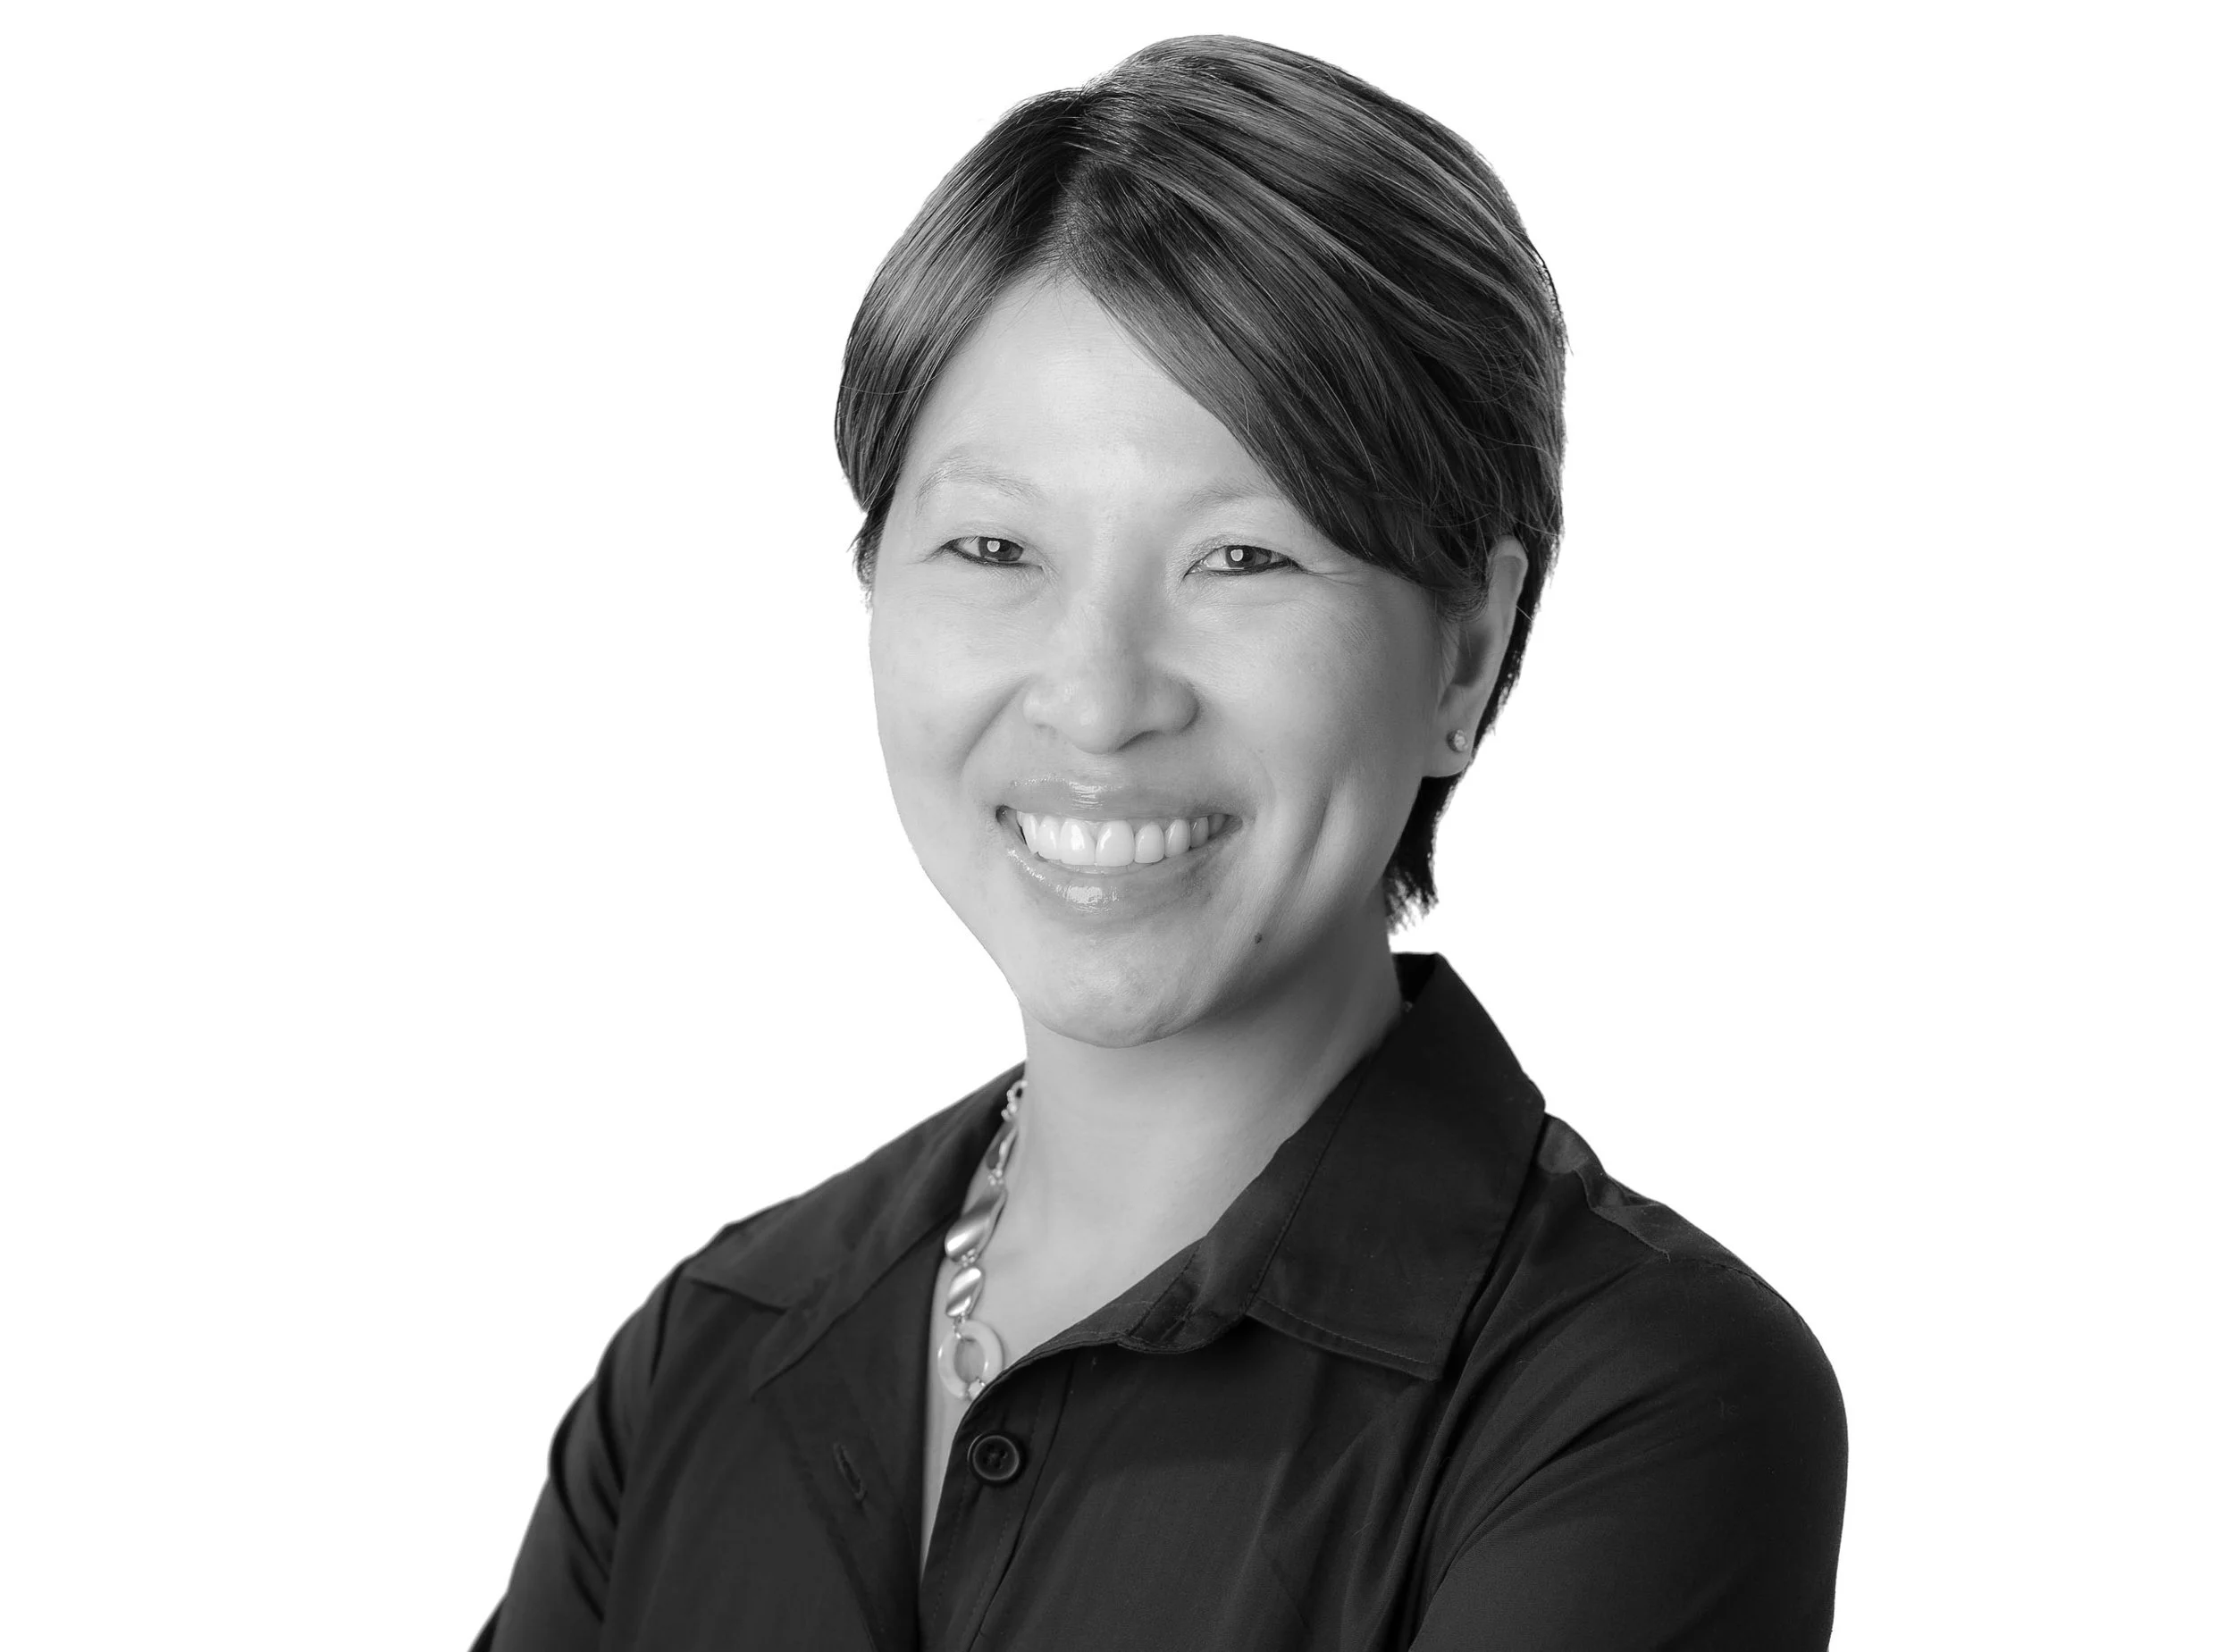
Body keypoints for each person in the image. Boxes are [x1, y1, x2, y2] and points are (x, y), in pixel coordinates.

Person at [473, 34, 1846, 1651]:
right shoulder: (704, 1360)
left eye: (1243, 558)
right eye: (996, 547)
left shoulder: (1628, 1403)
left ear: (1465, 656)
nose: (1098, 697)